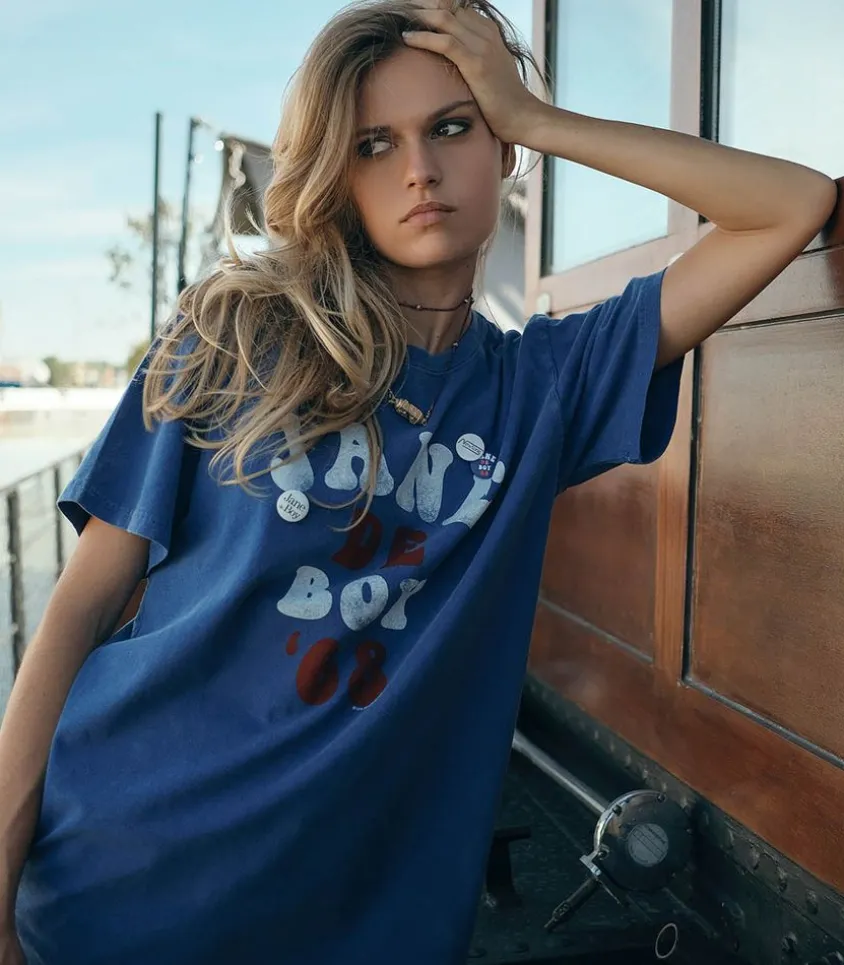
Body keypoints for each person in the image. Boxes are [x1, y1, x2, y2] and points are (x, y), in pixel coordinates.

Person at [2, 1, 836, 962]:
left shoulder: (542, 388)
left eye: (452, 127)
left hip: (366, 923)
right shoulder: (234, 335)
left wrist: (537, 118)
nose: (419, 170)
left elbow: (790, 204)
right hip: (119, 890)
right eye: (373, 144)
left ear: (500, 149)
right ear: (337, 173)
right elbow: (81, 607)